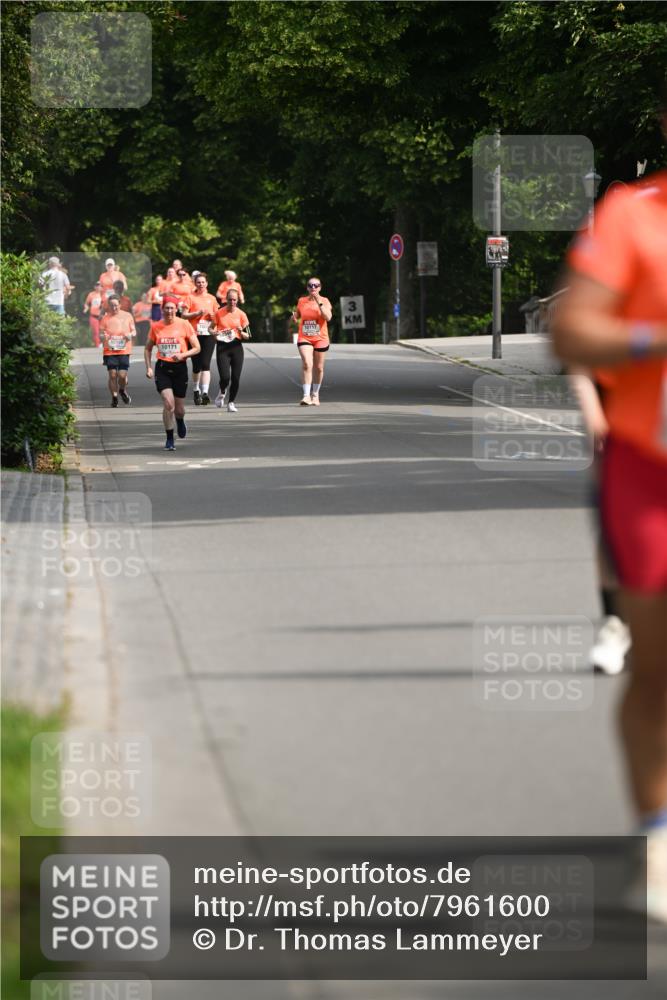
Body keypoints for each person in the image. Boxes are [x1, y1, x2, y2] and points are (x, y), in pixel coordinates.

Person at [552, 92, 667, 921]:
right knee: (660, 665)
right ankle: (659, 839)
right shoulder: (634, 215)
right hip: (652, 468)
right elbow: (572, 331)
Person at [570, 367, 631, 675]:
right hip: (618, 414)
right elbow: (579, 358)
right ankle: (615, 624)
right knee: (614, 520)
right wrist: (592, 412)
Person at [144, 296, 200, 450]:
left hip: (180, 368)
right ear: (162, 309)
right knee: (169, 403)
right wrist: (148, 367)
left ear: (176, 309)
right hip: (162, 368)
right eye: (166, 308)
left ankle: (180, 421)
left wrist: (182, 355)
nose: (169, 311)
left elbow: (197, 347)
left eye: (172, 308)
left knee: (179, 409)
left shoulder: (185, 324)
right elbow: (148, 348)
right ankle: (169, 439)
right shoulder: (156, 326)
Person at [292, 276, 332, 405]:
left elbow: (328, 317)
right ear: (307, 288)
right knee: (307, 364)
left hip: (321, 338)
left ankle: (315, 394)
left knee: (319, 368)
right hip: (305, 337)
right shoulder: (302, 301)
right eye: (310, 285)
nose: (313, 288)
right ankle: (306, 396)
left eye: (316, 285)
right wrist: (294, 317)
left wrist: (319, 303)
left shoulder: (325, 301)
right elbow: (297, 314)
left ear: (320, 287)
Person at [181, 272, 219, 405]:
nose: (201, 284)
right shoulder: (190, 297)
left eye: (203, 282)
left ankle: (205, 393)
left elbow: (217, 315)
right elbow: (184, 315)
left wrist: (212, 317)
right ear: (195, 284)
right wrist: (196, 314)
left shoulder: (212, 298)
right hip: (194, 335)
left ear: (207, 284)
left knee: (206, 364)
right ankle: (196, 389)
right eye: (199, 282)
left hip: (208, 334)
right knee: (196, 366)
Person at [212, 288, 251, 412]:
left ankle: (231, 402)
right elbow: (210, 328)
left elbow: (248, 335)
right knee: (225, 377)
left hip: (236, 347)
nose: (232, 302)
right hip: (222, 347)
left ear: (237, 300)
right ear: (226, 300)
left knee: (235, 378)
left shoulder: (241, 314)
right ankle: (222, 390)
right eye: (230, 299)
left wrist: (240, 331)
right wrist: (214, 333)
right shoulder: (219, 313)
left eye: (234, 300)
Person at [99, 293, 136, 407]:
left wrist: (130, 334)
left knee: (122, 376)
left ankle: (122, 390)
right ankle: (114, 397)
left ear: (120, 304)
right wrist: (103, 336)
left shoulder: (128, 316)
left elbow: (134, 331)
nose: (114, 308)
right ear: (108, 306)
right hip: (110, 350)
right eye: (111, 306)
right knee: (112, 374)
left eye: (116, 305)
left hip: (124, 350)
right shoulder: (105, 318)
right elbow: (100, 333)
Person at [83, 281, 104, 346]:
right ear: (94, 287)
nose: (98, 287)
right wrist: (86, 308)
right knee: (96, 332)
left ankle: (105, 344)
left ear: (102, 287)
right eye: (96, 285)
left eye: (100, 285)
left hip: (103, 316)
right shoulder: (91, 294)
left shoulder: (104, 295)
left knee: (104, 332)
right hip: (94, 316)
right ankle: (98, 346)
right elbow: (86, 303)